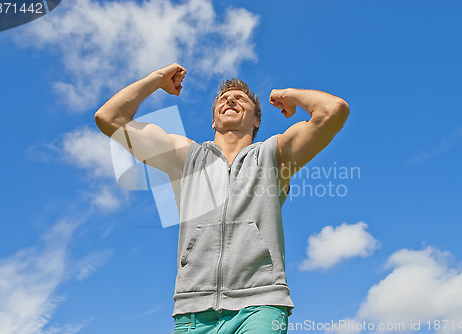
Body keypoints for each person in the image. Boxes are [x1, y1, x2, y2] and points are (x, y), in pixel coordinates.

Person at [95, 63, 350, 333]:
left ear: (256, 121)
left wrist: (289, 94)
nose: (230, 99)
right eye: (223, 99)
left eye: (241, 99)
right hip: (193, 309)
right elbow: (109, 118)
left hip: (260, 303)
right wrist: (157, 79)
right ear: (214, 120)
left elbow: (334, 111)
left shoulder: (275, 155)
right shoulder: (184, 157)